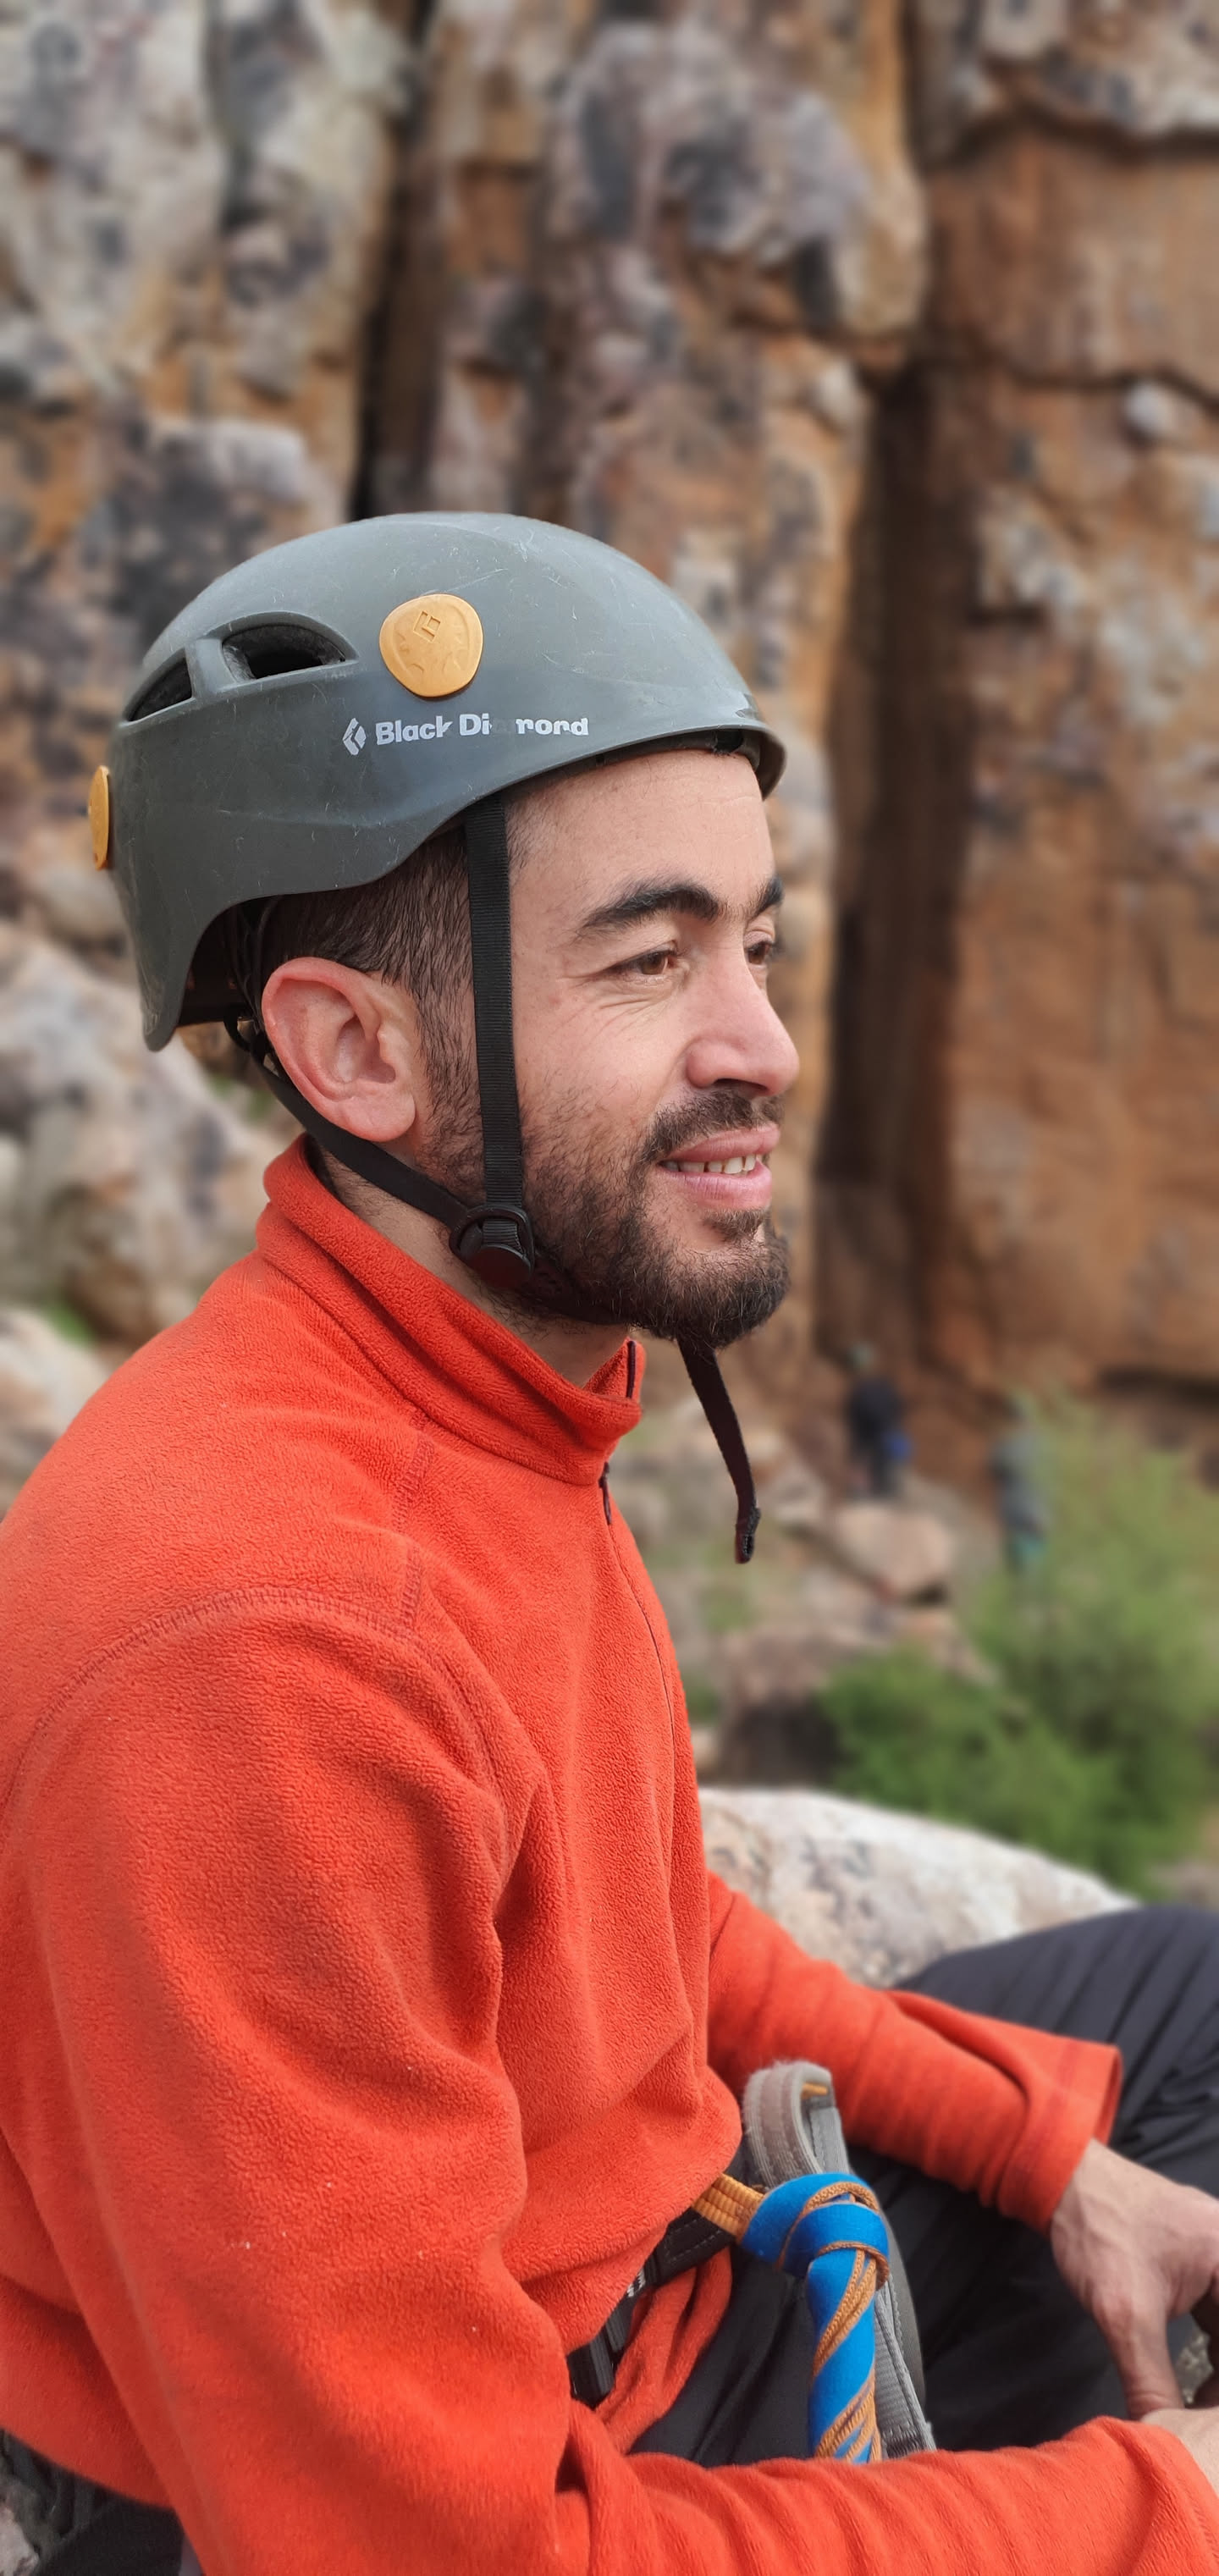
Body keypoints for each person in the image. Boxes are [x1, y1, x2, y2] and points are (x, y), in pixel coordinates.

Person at [0, 515, 1217, 2576]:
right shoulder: (268, 1646)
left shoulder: (476, 1395)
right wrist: (1161, 2506)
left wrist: (1050, 2156)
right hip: (505, 2465)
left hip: (659, 2293)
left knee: (1183, 2007)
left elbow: (646, 1932)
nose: (762, 1044)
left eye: (754, 942)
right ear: (356, 1051)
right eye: (649, 961)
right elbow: (438, 2556)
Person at [990, 1393, 1051, 1572]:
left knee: (1019, 1566)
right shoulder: (1044, 1446)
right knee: (1035, 1564)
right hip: (1038, 1514)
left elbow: (994, 1465)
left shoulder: (1009, 1446)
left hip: (1016, 1514)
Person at [844, 1344, 909, 1498]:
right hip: (884, 1435)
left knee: (874, 1467)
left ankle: (872, 1490)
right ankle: (882, 1490)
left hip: (875, 1438)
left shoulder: (862, 1390)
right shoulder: (882, 1386)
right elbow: (897, 1407)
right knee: (885, 1470)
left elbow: (858, 1417)